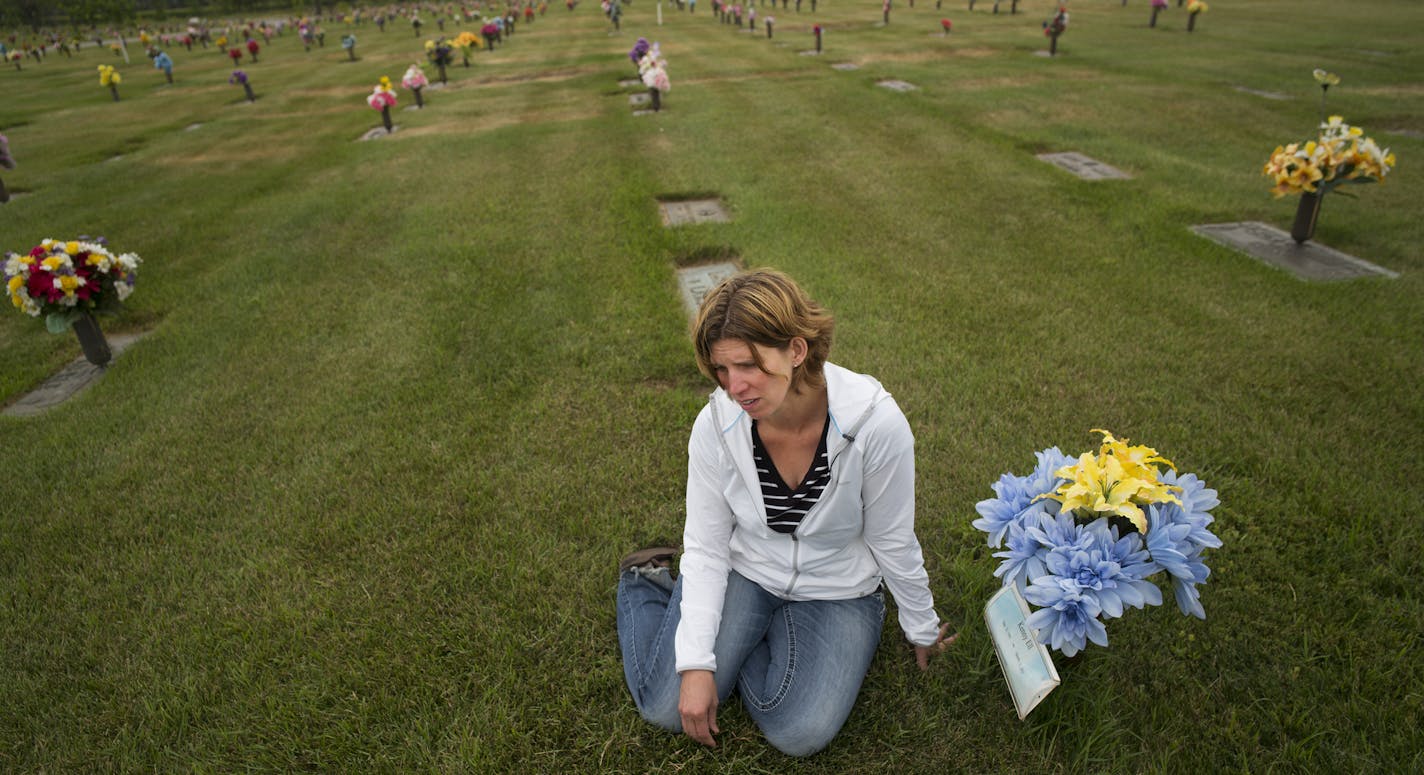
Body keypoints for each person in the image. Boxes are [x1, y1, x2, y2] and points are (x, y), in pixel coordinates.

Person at [616, 269, 954, 757]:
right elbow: (709, 549)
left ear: (796, 350)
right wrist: (695, 664)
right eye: (722, 370)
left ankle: (738, 634)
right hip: (745, 571)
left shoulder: (875, 425)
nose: (735, 386)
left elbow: (892, 538)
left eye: (748, 365)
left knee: (799, 733)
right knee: (666, 709)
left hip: (838, 590)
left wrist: (921, 625)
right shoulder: (716, 424)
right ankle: (645, 581)